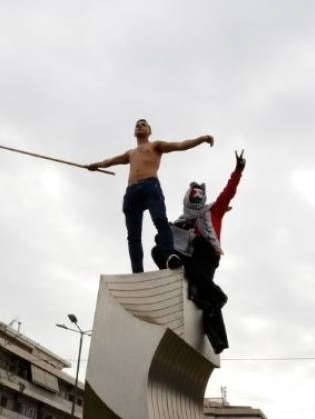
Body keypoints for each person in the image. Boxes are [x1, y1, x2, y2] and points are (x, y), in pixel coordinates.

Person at [86, 119, 214, 273]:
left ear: (149, 131)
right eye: (137, 125)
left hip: (150, 186)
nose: (139, 126)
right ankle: (137, 270)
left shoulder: (155, 145)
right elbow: (111, 161)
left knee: (160, 221)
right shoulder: (131, 153)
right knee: (133, 235)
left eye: (143, 124)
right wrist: (96, 165)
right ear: (134, 132)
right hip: (132, 191)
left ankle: (170, 256)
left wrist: (201, 139)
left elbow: (179, 145)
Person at [151, 149, 246, 353]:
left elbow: (228, 192)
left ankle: (214, 294)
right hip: (188, 258)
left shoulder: (213, 211)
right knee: (158, 246)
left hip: (206, 257)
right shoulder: (182, 221)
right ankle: (178, 271)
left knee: (200, 247)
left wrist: (238, 170)